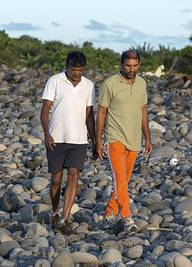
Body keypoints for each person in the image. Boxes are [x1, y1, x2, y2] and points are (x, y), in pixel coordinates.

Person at [96, 50, 153, 233]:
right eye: (128, 65)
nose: (131, 69)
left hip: (134, 139)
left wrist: (148, 137)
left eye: (135, 66)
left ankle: (109, 215)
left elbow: (143, 110)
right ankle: (127, 217)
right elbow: (102, 112)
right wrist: (97, 140)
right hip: (114, 138)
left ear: (139, 65)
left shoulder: (141, 83)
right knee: (120, 179)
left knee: (124, 181)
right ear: (121, 65)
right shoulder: (109, 84)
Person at [40, 51, 96, 234]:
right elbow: (45, 110)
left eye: (80, 70)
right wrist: (47, 134)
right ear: (67, 66)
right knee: (56, 179)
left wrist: (95, 140)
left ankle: (65, 218)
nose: (77, 73)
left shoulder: (89, 86)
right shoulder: (54, 81)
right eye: (74, 69)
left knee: (74, 175)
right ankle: (55, 212)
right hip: (56, 139)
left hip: (78, 140)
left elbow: (89, 115)